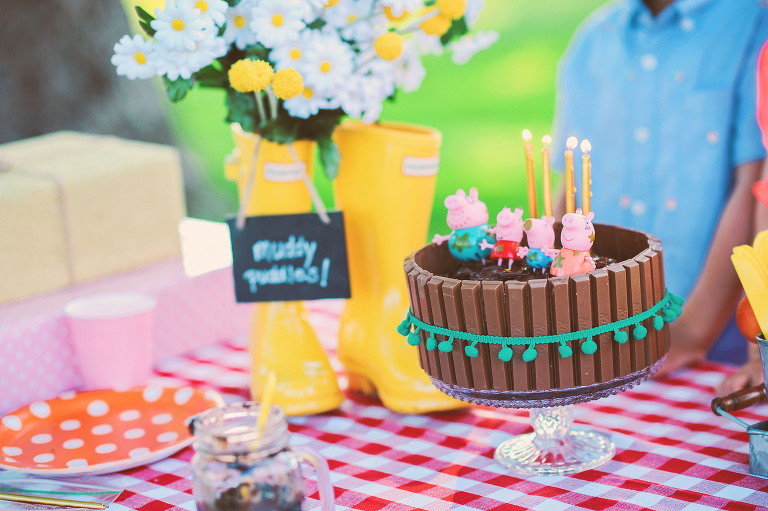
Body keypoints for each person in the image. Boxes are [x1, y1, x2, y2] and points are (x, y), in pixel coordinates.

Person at [550, 0, 768, 387]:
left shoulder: (754, 21)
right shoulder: (593, 40)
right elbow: (570, 188)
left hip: (712, 357)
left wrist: (691, 330)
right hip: (599, 337)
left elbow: (753, 189)